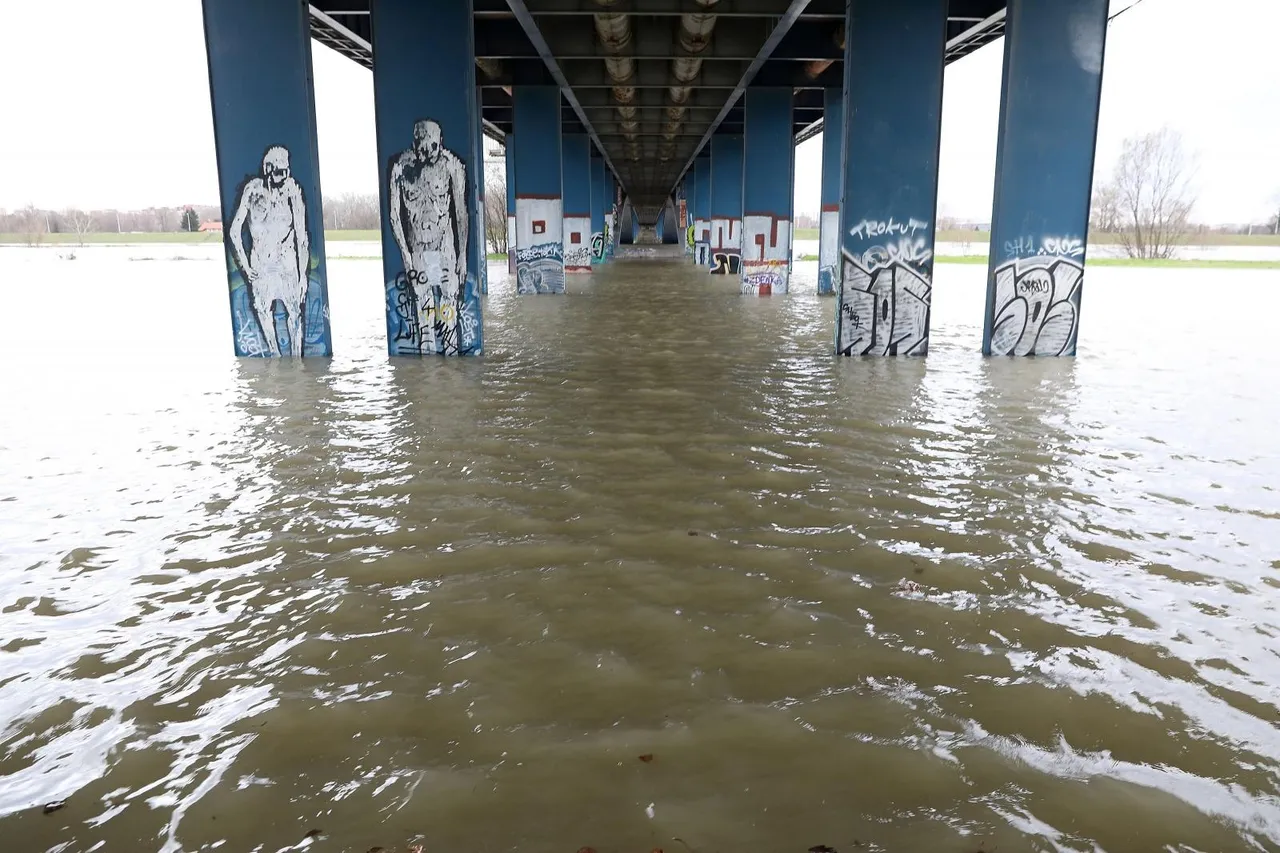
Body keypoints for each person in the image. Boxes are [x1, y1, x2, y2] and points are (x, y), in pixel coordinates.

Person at [388, 119, 469, 355]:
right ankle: (428, 371)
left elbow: (461, 213)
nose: (428, 154)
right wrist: (405, 253)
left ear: (440, 143)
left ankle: (450, 367)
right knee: (424, 310)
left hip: (444, 245)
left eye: (433, 147)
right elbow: (394, 215)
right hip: (418, 248)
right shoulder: (400, 168)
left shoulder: (451, 165)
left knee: (448, 306)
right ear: (414, 144)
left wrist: (462, 254)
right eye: (422, 148)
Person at [229, 146, 310, 357]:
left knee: (296, 316)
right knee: (264, 313)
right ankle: (275, 365)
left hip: (286, 263)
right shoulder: (253, 191)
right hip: (261, 266)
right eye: (280, 172)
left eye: (287, 171)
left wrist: (303, 277)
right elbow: (234, 231)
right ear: (268, 169)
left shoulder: (292, 190)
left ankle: (298, 369)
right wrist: (246, 268)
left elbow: (302, 238)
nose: (285, 176)